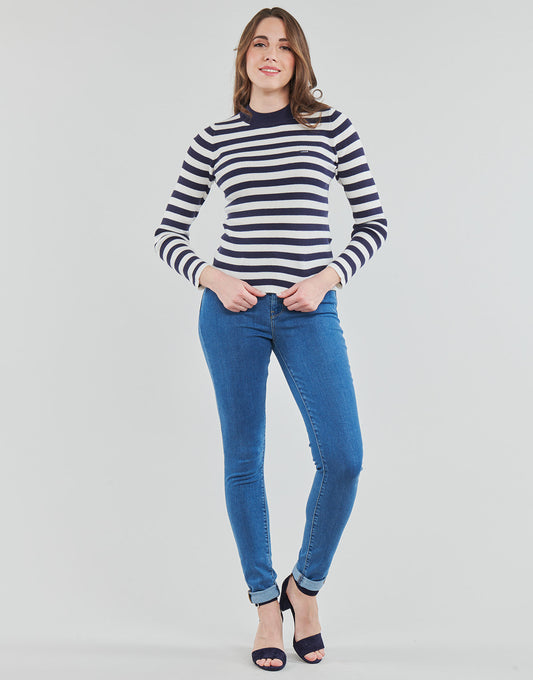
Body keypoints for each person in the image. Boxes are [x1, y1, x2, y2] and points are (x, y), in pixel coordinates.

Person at [154, 6, 388, 671]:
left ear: (298, 59)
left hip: (309, 311)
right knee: (244, 459)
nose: (269, 54)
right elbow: (168, 230)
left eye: (283, 46)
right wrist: (210, 274)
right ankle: (264, 607)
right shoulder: (214, 139)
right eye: (259, 43)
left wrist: (327, 277)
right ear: (243, 56)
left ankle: (303, 590)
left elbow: (372, 222)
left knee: (343, 456)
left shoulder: (330, 127)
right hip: (231, 314)